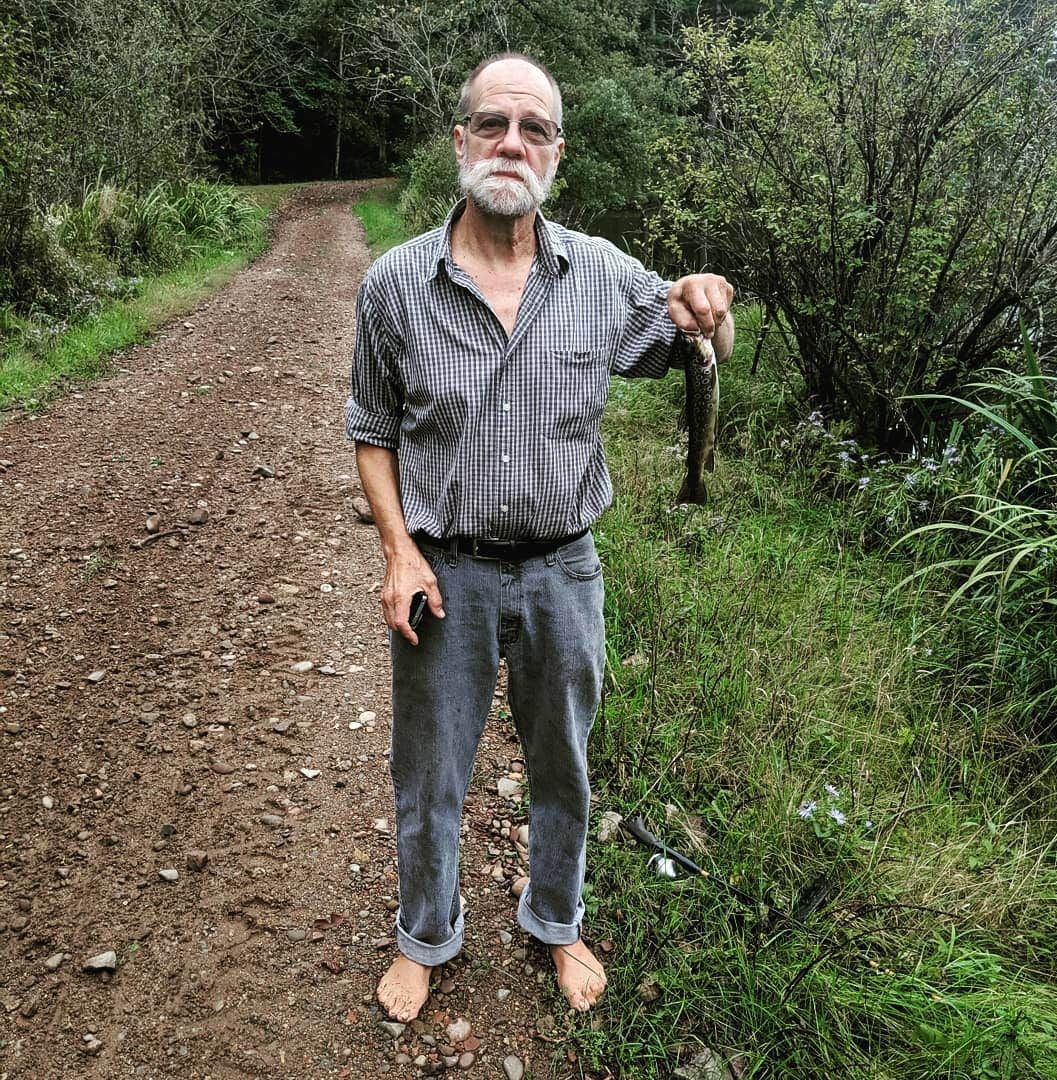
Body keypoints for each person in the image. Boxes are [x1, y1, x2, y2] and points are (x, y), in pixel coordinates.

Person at [345, 52, 734, 1022]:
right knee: (430, 772)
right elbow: (370, 431)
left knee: (564, 762)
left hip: (566, 570)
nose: (511, 142)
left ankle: (555, 922)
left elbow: (693, 342)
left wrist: (709, 307)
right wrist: (398, 549)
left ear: (558, 152)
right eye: (492, 123)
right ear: (461, 141)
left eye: (534, 127)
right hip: (448, 571)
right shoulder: (395, 286)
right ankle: (425, 936)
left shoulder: (601, 274)